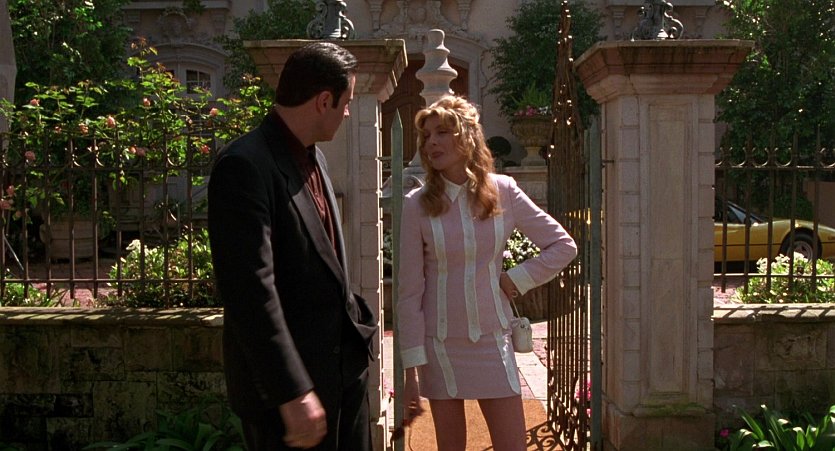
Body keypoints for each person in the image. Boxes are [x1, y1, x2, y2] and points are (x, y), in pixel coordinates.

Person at [208, 42, 377, 451]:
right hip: (290, 405)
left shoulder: (315, 158)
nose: (348, 113)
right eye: (347, 103)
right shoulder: (244, 165)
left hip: (343, 381)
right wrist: (291, 392)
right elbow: (250, 291)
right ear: (324, 101)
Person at [397, 96, 577, 450]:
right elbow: (409, 293)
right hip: (440, 346)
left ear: (466, 136)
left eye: (442, 132)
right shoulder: (416, 204)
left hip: (493, 341)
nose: (432, 143)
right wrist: (410, 373)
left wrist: (514, 279)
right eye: (427, 136)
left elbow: (563, 245)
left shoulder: (504, 191)